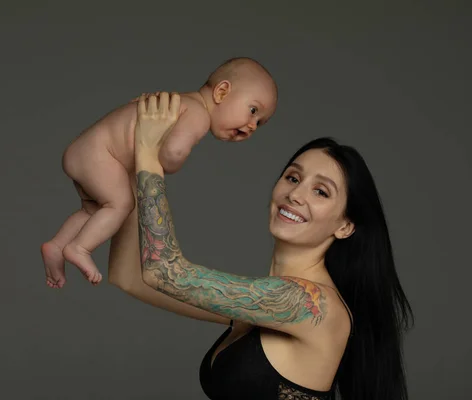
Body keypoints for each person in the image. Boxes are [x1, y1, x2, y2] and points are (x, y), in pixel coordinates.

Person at [108, 92, 414, 399]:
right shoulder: (257, 306)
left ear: (345, 226)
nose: (296, 195)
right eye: (293, 178)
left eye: (321, 192)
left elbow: (164, 272)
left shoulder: (311, 305)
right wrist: (128, 171)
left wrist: (148, 151)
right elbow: (130, 277)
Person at [41, 57, 278, 288]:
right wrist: (166, 166)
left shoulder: (180, 102)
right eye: (253, 110)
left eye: (260, 123)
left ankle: (57, 245)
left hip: (87, 150)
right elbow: (173, 153)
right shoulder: (198, 114)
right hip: (100, 154)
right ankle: (79, 248)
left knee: (94, 210)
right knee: (121, 204)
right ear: (222, 92)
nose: (251, 126)